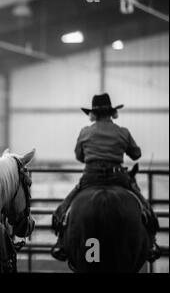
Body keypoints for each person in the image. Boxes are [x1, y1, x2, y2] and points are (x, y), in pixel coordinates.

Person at [51, 93, 161, 262]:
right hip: (118, 178)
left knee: (63, 210)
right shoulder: (122, 131)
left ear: (92, 114)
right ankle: (152, 244)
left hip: (90, 178)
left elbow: (79, 156)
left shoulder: (85, 132)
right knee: (147, 210)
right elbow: (136, 154)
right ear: (112, 113)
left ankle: (60, 244)